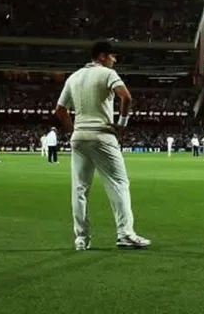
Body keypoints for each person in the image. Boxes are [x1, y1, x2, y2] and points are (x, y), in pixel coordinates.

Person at [54, 39, 150, 251]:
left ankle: (81, 239)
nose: (114, 60)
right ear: (102, 56)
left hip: (79, 137)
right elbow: (126, 97)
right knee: (118, 184)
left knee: (79, 189)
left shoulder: (74, 77)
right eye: (112, 56)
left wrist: (75, 132)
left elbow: (60, 111)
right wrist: (122, 125)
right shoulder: (107, 74)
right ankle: (125, 234)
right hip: (102, 135)